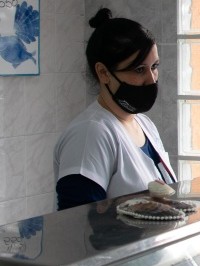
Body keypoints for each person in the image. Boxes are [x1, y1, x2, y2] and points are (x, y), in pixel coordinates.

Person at [53, 8, 175, 210]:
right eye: (139, 70)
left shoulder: (144, 124)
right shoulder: (90, 134)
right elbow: (78, 223)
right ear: (103, 73)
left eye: (154, 66)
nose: (151, 79)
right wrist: (134, 209)